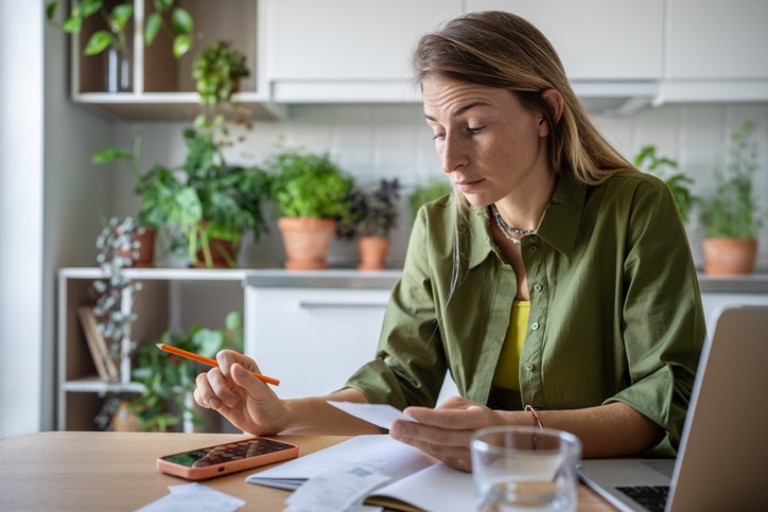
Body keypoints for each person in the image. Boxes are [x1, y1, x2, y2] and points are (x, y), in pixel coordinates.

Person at [194, 10, 705, 473]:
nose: (449, 159)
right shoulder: (437, 228)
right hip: (471, 486)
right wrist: (281, 415)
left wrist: (515, 436)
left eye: (475, 126)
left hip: (602, 482)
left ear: (546, 113)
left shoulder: (636, 207)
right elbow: (397, 381)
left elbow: (666, 397)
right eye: (437, 131)